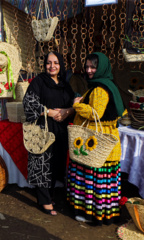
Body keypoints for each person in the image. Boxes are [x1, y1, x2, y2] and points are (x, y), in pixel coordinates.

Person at [67, 52, 125, 225]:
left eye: (93, 67)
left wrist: (77, 106)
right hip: (102, 141)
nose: (89, 70)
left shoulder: (100, 89)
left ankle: (90, 214)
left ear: (102, 68)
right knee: (101, 183)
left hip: (96, 143)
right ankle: (101, 213)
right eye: (87, 67)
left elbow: (95, 113)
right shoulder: (107, 85)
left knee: (92, 180)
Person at [23, 52, 75, 216]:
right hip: (43, 129)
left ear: (60, 65)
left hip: (60, 130)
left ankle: (48, 196)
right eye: (49, 63)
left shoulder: (65, 85)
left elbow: (74, 103)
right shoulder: (39, 82)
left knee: (55, 163)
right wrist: (50, 112)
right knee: (42, 163)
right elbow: (29, 102)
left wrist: (68, 110)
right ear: (44, 65)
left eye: (56, 63)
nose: (52, 66)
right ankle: (44, 200)